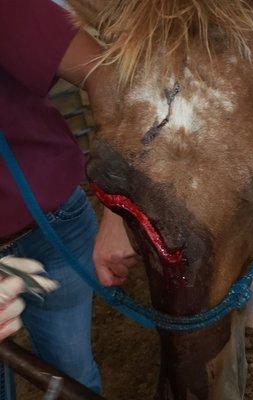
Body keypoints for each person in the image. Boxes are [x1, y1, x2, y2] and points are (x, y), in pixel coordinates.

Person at [0, 0, 137, 395]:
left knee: (71, 374)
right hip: (47, 226)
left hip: (49, 232)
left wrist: (118, 205)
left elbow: (111, 78)